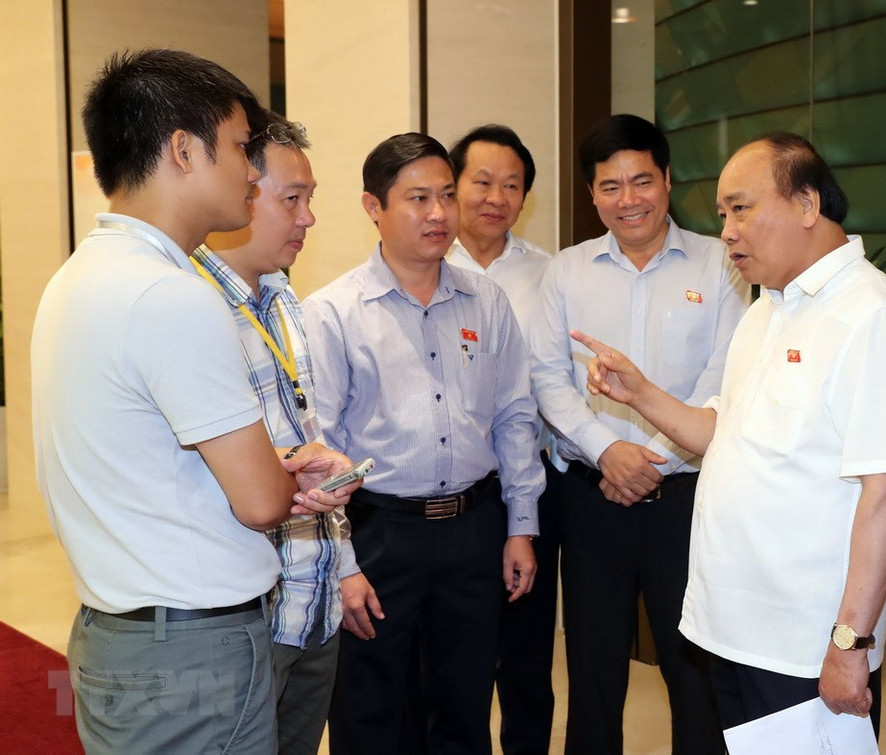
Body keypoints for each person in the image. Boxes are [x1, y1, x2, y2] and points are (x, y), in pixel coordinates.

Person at [31, 49, 353, 753]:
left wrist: (273, 469)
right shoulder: (172, 296)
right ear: (183, 149)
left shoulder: (78, 276)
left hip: (122, 631)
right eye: (240, 147)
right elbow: (261, 503)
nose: (249, 168)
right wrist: (280, 476)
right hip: (191, 647)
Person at [572, 132, 886, 741]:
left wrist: (850, 643)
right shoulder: (768, 306)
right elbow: (721, 431)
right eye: (721, 214)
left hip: (803, 642)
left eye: (741, 208)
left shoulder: (873, 316)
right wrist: (641, 393)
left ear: (807, 205)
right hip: (734, 626)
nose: (728, 231)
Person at [302, 132, 545, 755]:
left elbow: (515, 416)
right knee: (370, 712)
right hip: (379, 530)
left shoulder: (486, 301)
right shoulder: (334, 312)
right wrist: (345, 565)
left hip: (473, 528)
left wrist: (521, 524)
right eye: (417, 198)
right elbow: (316, 447)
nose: (439, 214)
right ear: (372, 207)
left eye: (444, 196)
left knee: (463, 709)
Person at [529, 114, 749, 754]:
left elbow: (724, 375)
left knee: (696, 667)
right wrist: (608, 453)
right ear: (592, 194)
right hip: (591, 500)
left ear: (668, 180)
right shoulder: (565, 272)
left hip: (686, 500)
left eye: (642, 181)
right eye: (610, 186)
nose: (628, 200)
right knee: (594, 666)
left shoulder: (722, 263)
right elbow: (547, 378)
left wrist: (649, 459)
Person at [193, 112, 348, 754]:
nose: (308, 217)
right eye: (293, 199)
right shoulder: (190, 306)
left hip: (313, 596)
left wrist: (347, 566)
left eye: (309, 198)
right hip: (245, 615)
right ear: (240, 190)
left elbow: (304, 426)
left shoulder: (284, 297)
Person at [447, 124, 560, 755]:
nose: (496, 196)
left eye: (512, 185)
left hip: (529, 484)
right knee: (454, 655)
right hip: (452, 488)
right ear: (454, 185)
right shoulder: (429, 266)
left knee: (526, 657)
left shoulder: (550, 273)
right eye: (482, 181)